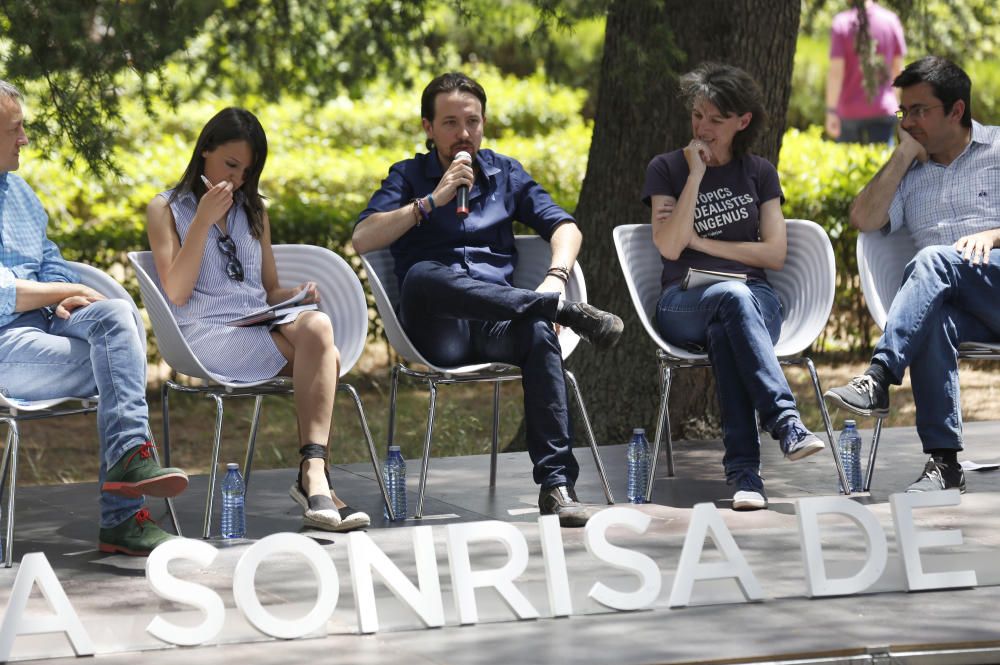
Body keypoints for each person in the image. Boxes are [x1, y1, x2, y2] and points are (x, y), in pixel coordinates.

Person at [353, 72, 623, 527]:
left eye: (472, 122)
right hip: (438, 330)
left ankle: (557, 488)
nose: (463, 134)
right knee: (421, 274)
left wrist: (556, 278)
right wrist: (430, 201)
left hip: (498, 321)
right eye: (450, 123)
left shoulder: (505, 173)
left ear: (483, 123)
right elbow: (363, 237)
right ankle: (558, 313)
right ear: (428, 127)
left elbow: (565, 227)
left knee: (538, 332)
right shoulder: (408, 176)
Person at [146, 107, 370, 532]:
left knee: (318, 327)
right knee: (327, 357)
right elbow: (175, 291)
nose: (237, 180)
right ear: (205, 151)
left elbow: (267, 290)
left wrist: (297, 295)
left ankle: (314, 474)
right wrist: (203, 222)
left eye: (247, 172)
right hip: (206, 334)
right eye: (230, 165)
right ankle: (317, 481)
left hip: (260, 321)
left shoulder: (254, 211)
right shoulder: (166, 208)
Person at [0, 80, 189, 556]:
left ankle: (129, 459)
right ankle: (123, 514)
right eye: (14, 129)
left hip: (44, 327)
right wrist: (65, 289)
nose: (24, 139)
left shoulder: (19, 192)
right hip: (6, 347)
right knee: (119, 366)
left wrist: (60, 296)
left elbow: (49, 261)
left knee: (117, 315)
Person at [641, 63, 826, 512]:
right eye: (697, 116)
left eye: (715, 120)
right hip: (684, 300)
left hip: (754, 300)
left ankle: (746, 478)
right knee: (731, 299)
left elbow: (775, 254)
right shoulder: (667, 169)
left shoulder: (758, 172)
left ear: (742, 122)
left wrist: (702, 242)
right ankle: (785, 423)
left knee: (732, 321)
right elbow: (668, 247)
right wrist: (696, 179)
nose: (702, 129)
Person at [825, 56, 1000, 493]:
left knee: (932, 260)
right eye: (904, 112)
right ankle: (944, 465)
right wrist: (903, 153)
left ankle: (879, 377)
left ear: (956, 110)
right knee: (931, 320)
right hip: (958, 302)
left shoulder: (998, 147)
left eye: (920, 110)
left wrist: (994, 235)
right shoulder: (909, 172)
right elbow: (862, 219)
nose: (910, 120)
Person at [825, 0, 906, 145]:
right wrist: (898, 107)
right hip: (884, 109)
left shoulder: (842, 23)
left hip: (849, 112)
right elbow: (898, 72)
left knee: (847, 166)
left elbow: (836, 73)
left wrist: (831, 111)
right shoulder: (891, 21)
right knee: (883, 165)